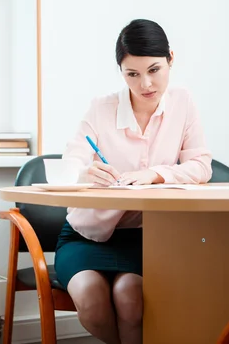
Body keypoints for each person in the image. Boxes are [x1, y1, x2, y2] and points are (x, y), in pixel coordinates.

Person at [54, 19, 212, 344]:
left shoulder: (183, 103)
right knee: (92, 301)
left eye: (154, 70)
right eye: (133, 74)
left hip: (148, 239)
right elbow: (69, 164)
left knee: (130, 296)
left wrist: (154, 174)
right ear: (121, 72)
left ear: (171, 58)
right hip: (87, 237)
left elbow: (201, 166)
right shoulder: (102, 108)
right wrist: (83, 174)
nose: (146, 84)